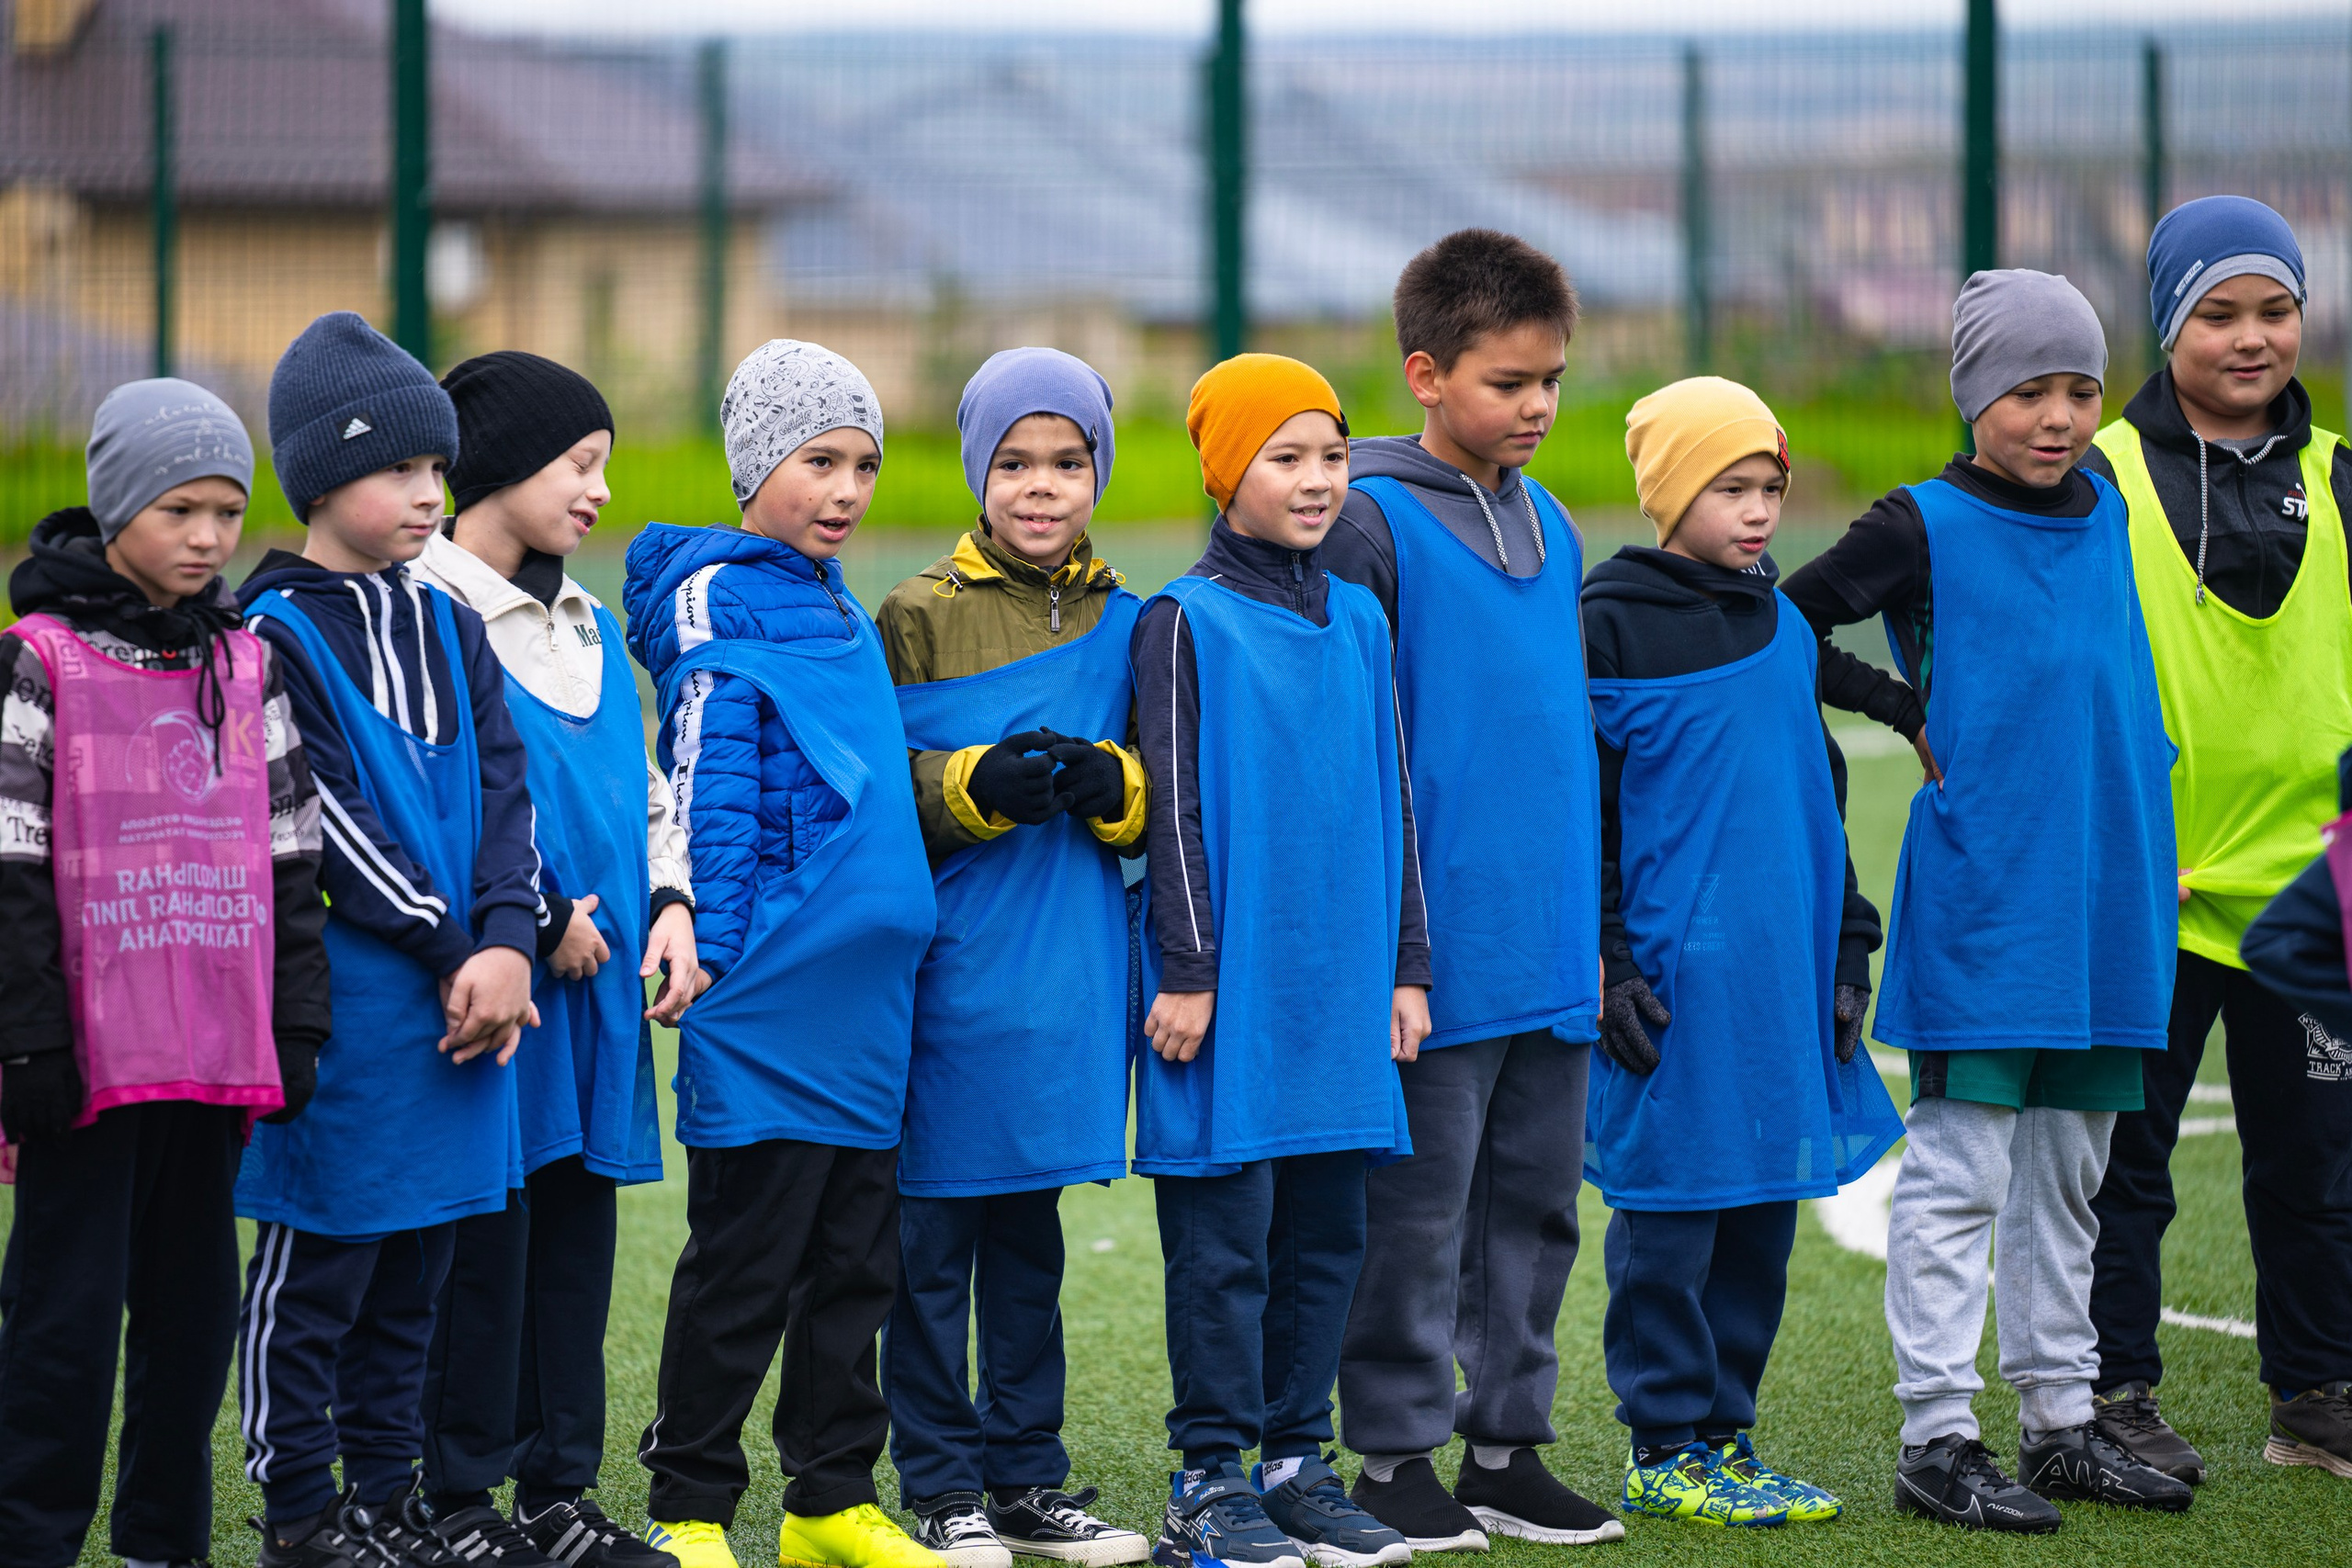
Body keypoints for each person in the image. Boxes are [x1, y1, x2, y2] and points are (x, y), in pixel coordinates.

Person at [1781, 271, 2193, 1531]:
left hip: (2107, 890)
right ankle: (1936, 1435)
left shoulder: (2107, 502)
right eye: (2027, 392)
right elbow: (1785, 621)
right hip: (1989, 899)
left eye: (2080, 389)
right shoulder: (1919, 521)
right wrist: (1902, 705)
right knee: (1962, 1173)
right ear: (1973, 398)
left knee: (2072, 1176)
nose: (2059, 416)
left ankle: (2060, 1420)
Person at [1317, 229, 1616, 1551]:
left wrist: (1591, 929)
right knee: (1416, 1216)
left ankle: (1504, 1449)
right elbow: (1351, 750)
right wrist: (1395, 948)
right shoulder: (1366, 521)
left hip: (1547, 948)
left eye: (1551, 380)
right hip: (1429, 956)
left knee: (1537, 1212)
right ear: (1426, 374)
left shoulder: (1554, 519)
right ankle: (1392, 1457)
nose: (1538, 406)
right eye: (1509, 382)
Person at [235, 311, 548, 1566]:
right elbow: (322, 825)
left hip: (472, 1001)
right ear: (319, 481)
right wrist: (455, 949)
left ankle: (383, 1499)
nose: (430, 493)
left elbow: (507, 795)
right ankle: (298, 1514)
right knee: (321, 1272)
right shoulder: (273, 634)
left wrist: (512, 939)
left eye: (438, 469)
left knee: (418, 1273)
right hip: (360, 1011)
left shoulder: (451, 622)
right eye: (397, 469)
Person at [0, 378, 330, 1568]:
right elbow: (10, 861)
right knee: (63, 1325)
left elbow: (292, 852)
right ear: (117, 506)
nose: (207, 536)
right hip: (86, 1065)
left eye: (227, 511)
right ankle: (31, 1540)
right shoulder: (36, 659)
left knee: (192, 1325)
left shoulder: (246, 661)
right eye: (178, 509)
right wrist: (27, 1038)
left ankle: (163, 1542)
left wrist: (296, 1021)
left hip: (211, 1056)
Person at [623, 340, 939, 1568]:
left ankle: (828, 1501)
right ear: (757, 465)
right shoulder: (719, 597)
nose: (846, 489)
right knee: (744, 1266)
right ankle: (690, 1504)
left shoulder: (835, 597)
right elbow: (708, 772)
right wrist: (703, 932)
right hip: (768, 991)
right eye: (819, 462)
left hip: (866, 1001)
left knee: (857, 1264)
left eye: (863, 463)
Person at [1584, 377, 1905, 1529]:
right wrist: (1612, 960)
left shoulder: (1781, 622)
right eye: (1731, 487)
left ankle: (1728, 1434)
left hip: (1779, 980)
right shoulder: (1605, 622)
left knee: (1763, 1214)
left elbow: (1820, 794)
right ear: (1672, 492)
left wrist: (1847, 947)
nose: (1760, 510)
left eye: (1770, 486)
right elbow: (1587, 814)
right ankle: (1664, 1444)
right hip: (1671, 986)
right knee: (1673, 1213)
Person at [411, 350, 706, 1567]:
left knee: (575, 1251)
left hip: (597, 1008)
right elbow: (435, 802)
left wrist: (671, 901)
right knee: (483, 1250)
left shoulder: (588, 620)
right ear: (498, 464)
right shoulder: (425, 613)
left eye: (604, 466)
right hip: (499, 996)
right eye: (578, 464)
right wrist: (538, 920)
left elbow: (643, 791)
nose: (599, 490)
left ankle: (556, 1493)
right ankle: (453, 1501)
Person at [2075, 194, 2352, 1485]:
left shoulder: (2339, 475)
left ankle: (2317, 1393)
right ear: (2166, 324)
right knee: (2123, 1168)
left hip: (2310, 897)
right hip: (2151, 885)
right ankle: (2111, 1391)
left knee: (2316, 1163)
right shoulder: (2096, 475)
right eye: (2218, 312)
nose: (2251, 338)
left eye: (2275, 310)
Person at [1131, 353, 1422, 1568]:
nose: (1316, 480)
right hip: (1230, 990)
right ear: (1222, 472)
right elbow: (1174, 808)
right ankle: (1208, 1477)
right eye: (1284, 456)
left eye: (1333, 455)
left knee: (1325, 1236)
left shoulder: (1360, 616)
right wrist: (1190, 969)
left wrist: (1407, 964)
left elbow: (1394, 795)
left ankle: (1299, 1463)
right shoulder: (1180, 620)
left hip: (1340, 985)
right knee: (1225, 1243)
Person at [872, 348, 1149, 1568]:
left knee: (1029, 1242)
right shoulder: (915, 612)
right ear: (978, 470)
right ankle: (942, 1486)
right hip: (944, 977)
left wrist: (1116, 784)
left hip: (1065, 981)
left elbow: (1173, 797)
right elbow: (871, 792)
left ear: (1099, 470)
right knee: (929, 1244)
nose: (1042, 486)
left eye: (1068, 461)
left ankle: (1026, 1478)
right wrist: (970, 783)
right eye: (1015, 462)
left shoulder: (1129, 619)